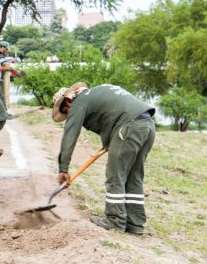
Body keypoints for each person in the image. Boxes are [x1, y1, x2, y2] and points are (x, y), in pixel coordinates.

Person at [52, 83, 155, 235]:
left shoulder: (79, 102)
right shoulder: (97, 93)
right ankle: (135, 224)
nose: (69, 115)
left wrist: (63, 168)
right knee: (134, 176)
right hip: (147, 126)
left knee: (115, 176)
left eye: (66, 112)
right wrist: (109, 143)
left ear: (67, 102)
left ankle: (115, 221)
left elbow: (70, 135)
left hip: (129, 127)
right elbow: (111, 118)